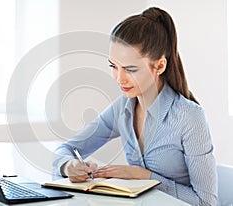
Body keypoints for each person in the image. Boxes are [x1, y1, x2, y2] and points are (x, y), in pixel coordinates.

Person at [53, 7, 217, 205]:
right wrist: (68, 165)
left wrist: (145, 177)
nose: (119, 78)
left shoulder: (189, 117)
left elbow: (206, 202)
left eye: (130, 69)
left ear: (160, 66)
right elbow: (67, 148)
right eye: (114, 66)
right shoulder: (122, 109)